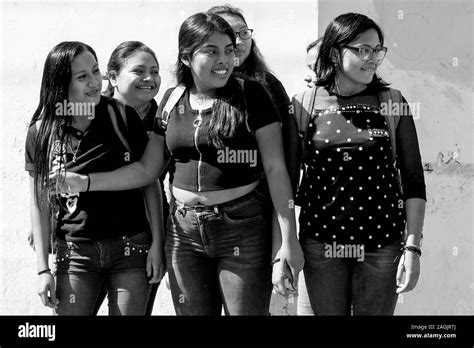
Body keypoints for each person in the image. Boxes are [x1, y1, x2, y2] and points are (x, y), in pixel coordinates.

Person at [51, 13, 304, 315]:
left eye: (228, 49)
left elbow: (276, 169)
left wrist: (287, 240)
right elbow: (147, 170)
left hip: (242, 230)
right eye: (211, 51)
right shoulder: (172, 100)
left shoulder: (253, 94)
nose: (224, 59)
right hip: (183, 235)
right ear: (186, 56)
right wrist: (87, 182)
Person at [291, 13, 426, 315]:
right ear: (336, 53)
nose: (373, 58)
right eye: (363, 49)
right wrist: (284, 247)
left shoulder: (392, 102)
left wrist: (412, 247)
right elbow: (285, 181)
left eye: (378, 50)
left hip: (382, 247)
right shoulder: (304, 104)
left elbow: (413, 180)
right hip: (320, 247)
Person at [26, 41, 164, 315]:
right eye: (82, 76)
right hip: (74, 253)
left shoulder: (122, 116)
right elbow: (38, 202)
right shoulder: (41, 132)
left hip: (131, 248)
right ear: (60, 83)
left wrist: (157, 243)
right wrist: (42, 269)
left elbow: (150, 182)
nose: (94, 82)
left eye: (95, 71)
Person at [92, 41, 166, 315]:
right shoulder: (92, 115)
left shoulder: (164, 117)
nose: (149, 78)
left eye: (155, 71)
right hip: (89, 235)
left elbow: (153, 181)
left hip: (142, 235)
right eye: (139, 71)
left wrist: (159, 242)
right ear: (113, 77)